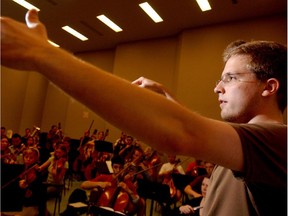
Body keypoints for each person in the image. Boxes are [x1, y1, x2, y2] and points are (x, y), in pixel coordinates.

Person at [0, 10, 286, 215]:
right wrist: (164, 96)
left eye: (230, 78)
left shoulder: (277, 140)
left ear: (269, 87)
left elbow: (183, 132)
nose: (217, 89)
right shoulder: (246, 142)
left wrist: (41, 54)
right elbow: (196, 129)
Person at [81, 155, 146, 216]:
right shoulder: (104, 177)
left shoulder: (127, 183)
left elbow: (139, 203)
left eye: (120, 167)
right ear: (112, 167)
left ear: (123, 168)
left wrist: (128, 190)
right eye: (115, 167)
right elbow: (83, 185)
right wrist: (99, 183)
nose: (118, 170)